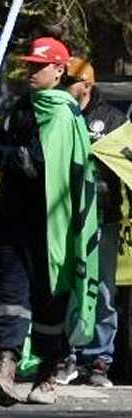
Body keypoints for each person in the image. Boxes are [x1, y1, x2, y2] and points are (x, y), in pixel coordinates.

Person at [0, 35, 99, 406]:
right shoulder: (24, 106)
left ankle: (49, 370)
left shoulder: (60, 112)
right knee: (10, 296)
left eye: (39, 66)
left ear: (59, 70)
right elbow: (13, 144)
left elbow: (31, 162)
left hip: (49, 223)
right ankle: (4, 365)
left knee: (48, 300)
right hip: (12, 218)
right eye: (29, 65)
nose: (31, 72)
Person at [68, 56, 122, 386]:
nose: (63, 86)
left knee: (101, 289)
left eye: (69, 80)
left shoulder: (113, 119)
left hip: (102, 216)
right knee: (69, 287)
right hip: (65, 216)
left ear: (86, 84)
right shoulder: (58, 114)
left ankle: (99, 359)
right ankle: (67, 354)